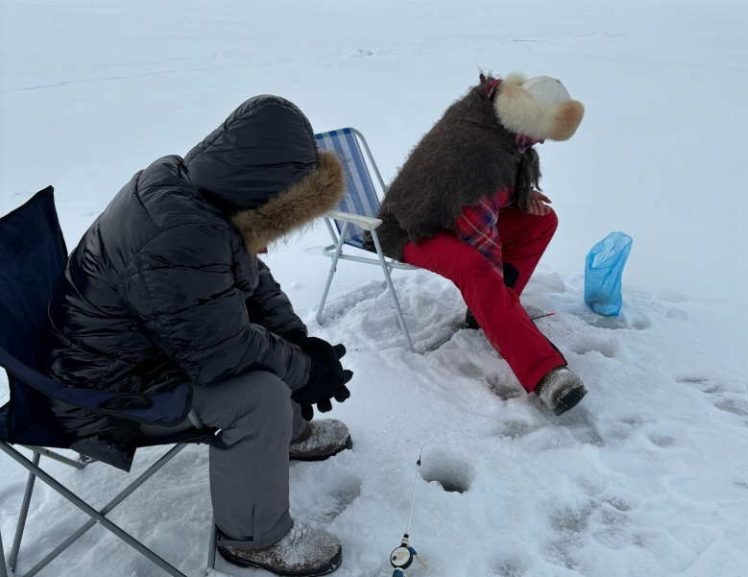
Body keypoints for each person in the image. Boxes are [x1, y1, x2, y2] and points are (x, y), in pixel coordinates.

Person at [47, 95, 354, 576]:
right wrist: (302, 372)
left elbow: (247, 276)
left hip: (137, 347)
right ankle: (254, 538)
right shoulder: (182, 235)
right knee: (261, 395)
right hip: (104, 391)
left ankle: (286, 436)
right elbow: (222, 353)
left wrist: (299, 342)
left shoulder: (188, 186)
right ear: (262, 195)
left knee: (276, 355)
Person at [374, 73, 588, 415]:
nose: (543, 143)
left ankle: (489, 313)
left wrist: (522, 196)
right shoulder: (479, 146)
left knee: (541, 222)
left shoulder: (501, 125)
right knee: (476, 269)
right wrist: (494, 289)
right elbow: (477, 220)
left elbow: (486, 192)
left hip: (448, 213)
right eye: (544, 133)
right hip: (411, 227)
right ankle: (544, 373)